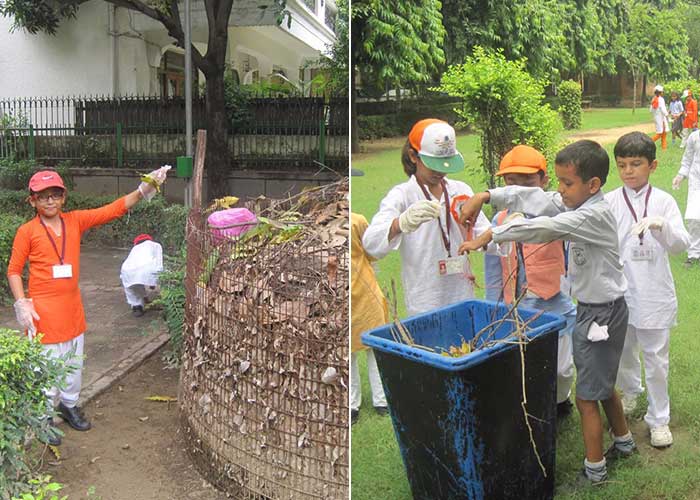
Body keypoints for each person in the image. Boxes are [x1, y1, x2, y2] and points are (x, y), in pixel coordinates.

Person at [458, 140, 635, 484]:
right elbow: (538, 199)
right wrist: (487, 196)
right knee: (602, 382)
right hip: (600, 309)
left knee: (586, 398)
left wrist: (492, 234)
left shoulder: (591, 214)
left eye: (567, 183)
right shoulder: (579, 200)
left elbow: (547, 227)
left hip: (601, 315)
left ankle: (594, 471)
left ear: (593, 185)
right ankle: (624, 442)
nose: (561, 190)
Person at [7, 167, 170, 446]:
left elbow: (112, 209)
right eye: (42, 197)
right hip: (41, 315)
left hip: (72, 310)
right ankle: (43, 416)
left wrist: (144, 189)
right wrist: (21, 302)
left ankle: (68, 406)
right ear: (32, 201)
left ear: (63, 198)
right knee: (45, 370)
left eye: (55, 195)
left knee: (72, 364)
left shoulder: (75, 222)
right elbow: (13, 270)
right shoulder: (27, 231)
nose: (50, 201)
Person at [606, 132, 689, 449]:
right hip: (620, 292)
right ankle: (630, 391)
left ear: (652, 165)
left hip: (653, 292)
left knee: (656, 359)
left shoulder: (664, 201)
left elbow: (681, 245)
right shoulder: (611, 200)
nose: (629, 171)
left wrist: (661, 225)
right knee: (624, 351)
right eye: (622, 165)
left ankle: (659, 419)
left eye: (636, 164)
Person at [483, 145, 576, 418]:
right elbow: (492, 265)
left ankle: (561, 400)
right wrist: (494, 306)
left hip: (554, 301)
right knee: (524, 362)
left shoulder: (556, 214)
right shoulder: (499, 218)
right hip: (515, 305)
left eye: (528, 182)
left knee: (561, 366)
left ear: (544, 181)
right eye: (512, 182)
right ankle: (531, 409)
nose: (520, 189)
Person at [362, 118, 490, 317]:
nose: (440, 171)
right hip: (425, 300)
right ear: (413, 156)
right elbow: (371, 243)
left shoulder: (461, 190)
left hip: (462, 294)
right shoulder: (402, 195)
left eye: (445, 164)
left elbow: (486, 237)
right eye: (434, 165)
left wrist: (504, 227)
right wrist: (399, 224)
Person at [350, 212, 389, 425]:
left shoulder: (355, 221)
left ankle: (353, 405)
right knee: (373, 348)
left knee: (352, 354)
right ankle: (381, 401)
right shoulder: (357, 220)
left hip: (360, 292)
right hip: (364, 289)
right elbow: (372, 252)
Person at [673, 128, 700, 267]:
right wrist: (680, 175)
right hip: (696, 183)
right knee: (694, 218)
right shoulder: (694, 137)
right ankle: (694, 254)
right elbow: (688, 159)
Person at [120, 233, 164, 317]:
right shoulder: (156, 245)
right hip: (147, 268)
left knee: (131, 285)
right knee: (140, 278)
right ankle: (167, 301)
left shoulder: (135, 248)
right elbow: (159, 262)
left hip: (127, 270)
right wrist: (154, 280)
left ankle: (137, 307)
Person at [650, 85, 669, 150]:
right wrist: (667, 115)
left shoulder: (653, 99)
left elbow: (651, 110)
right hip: (661, 118)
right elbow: (663, 109)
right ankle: (649, 142)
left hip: (656, 117)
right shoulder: (661, 99)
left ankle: (664, 148)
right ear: (660, 92)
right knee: (660, 133)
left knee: (664, 133)